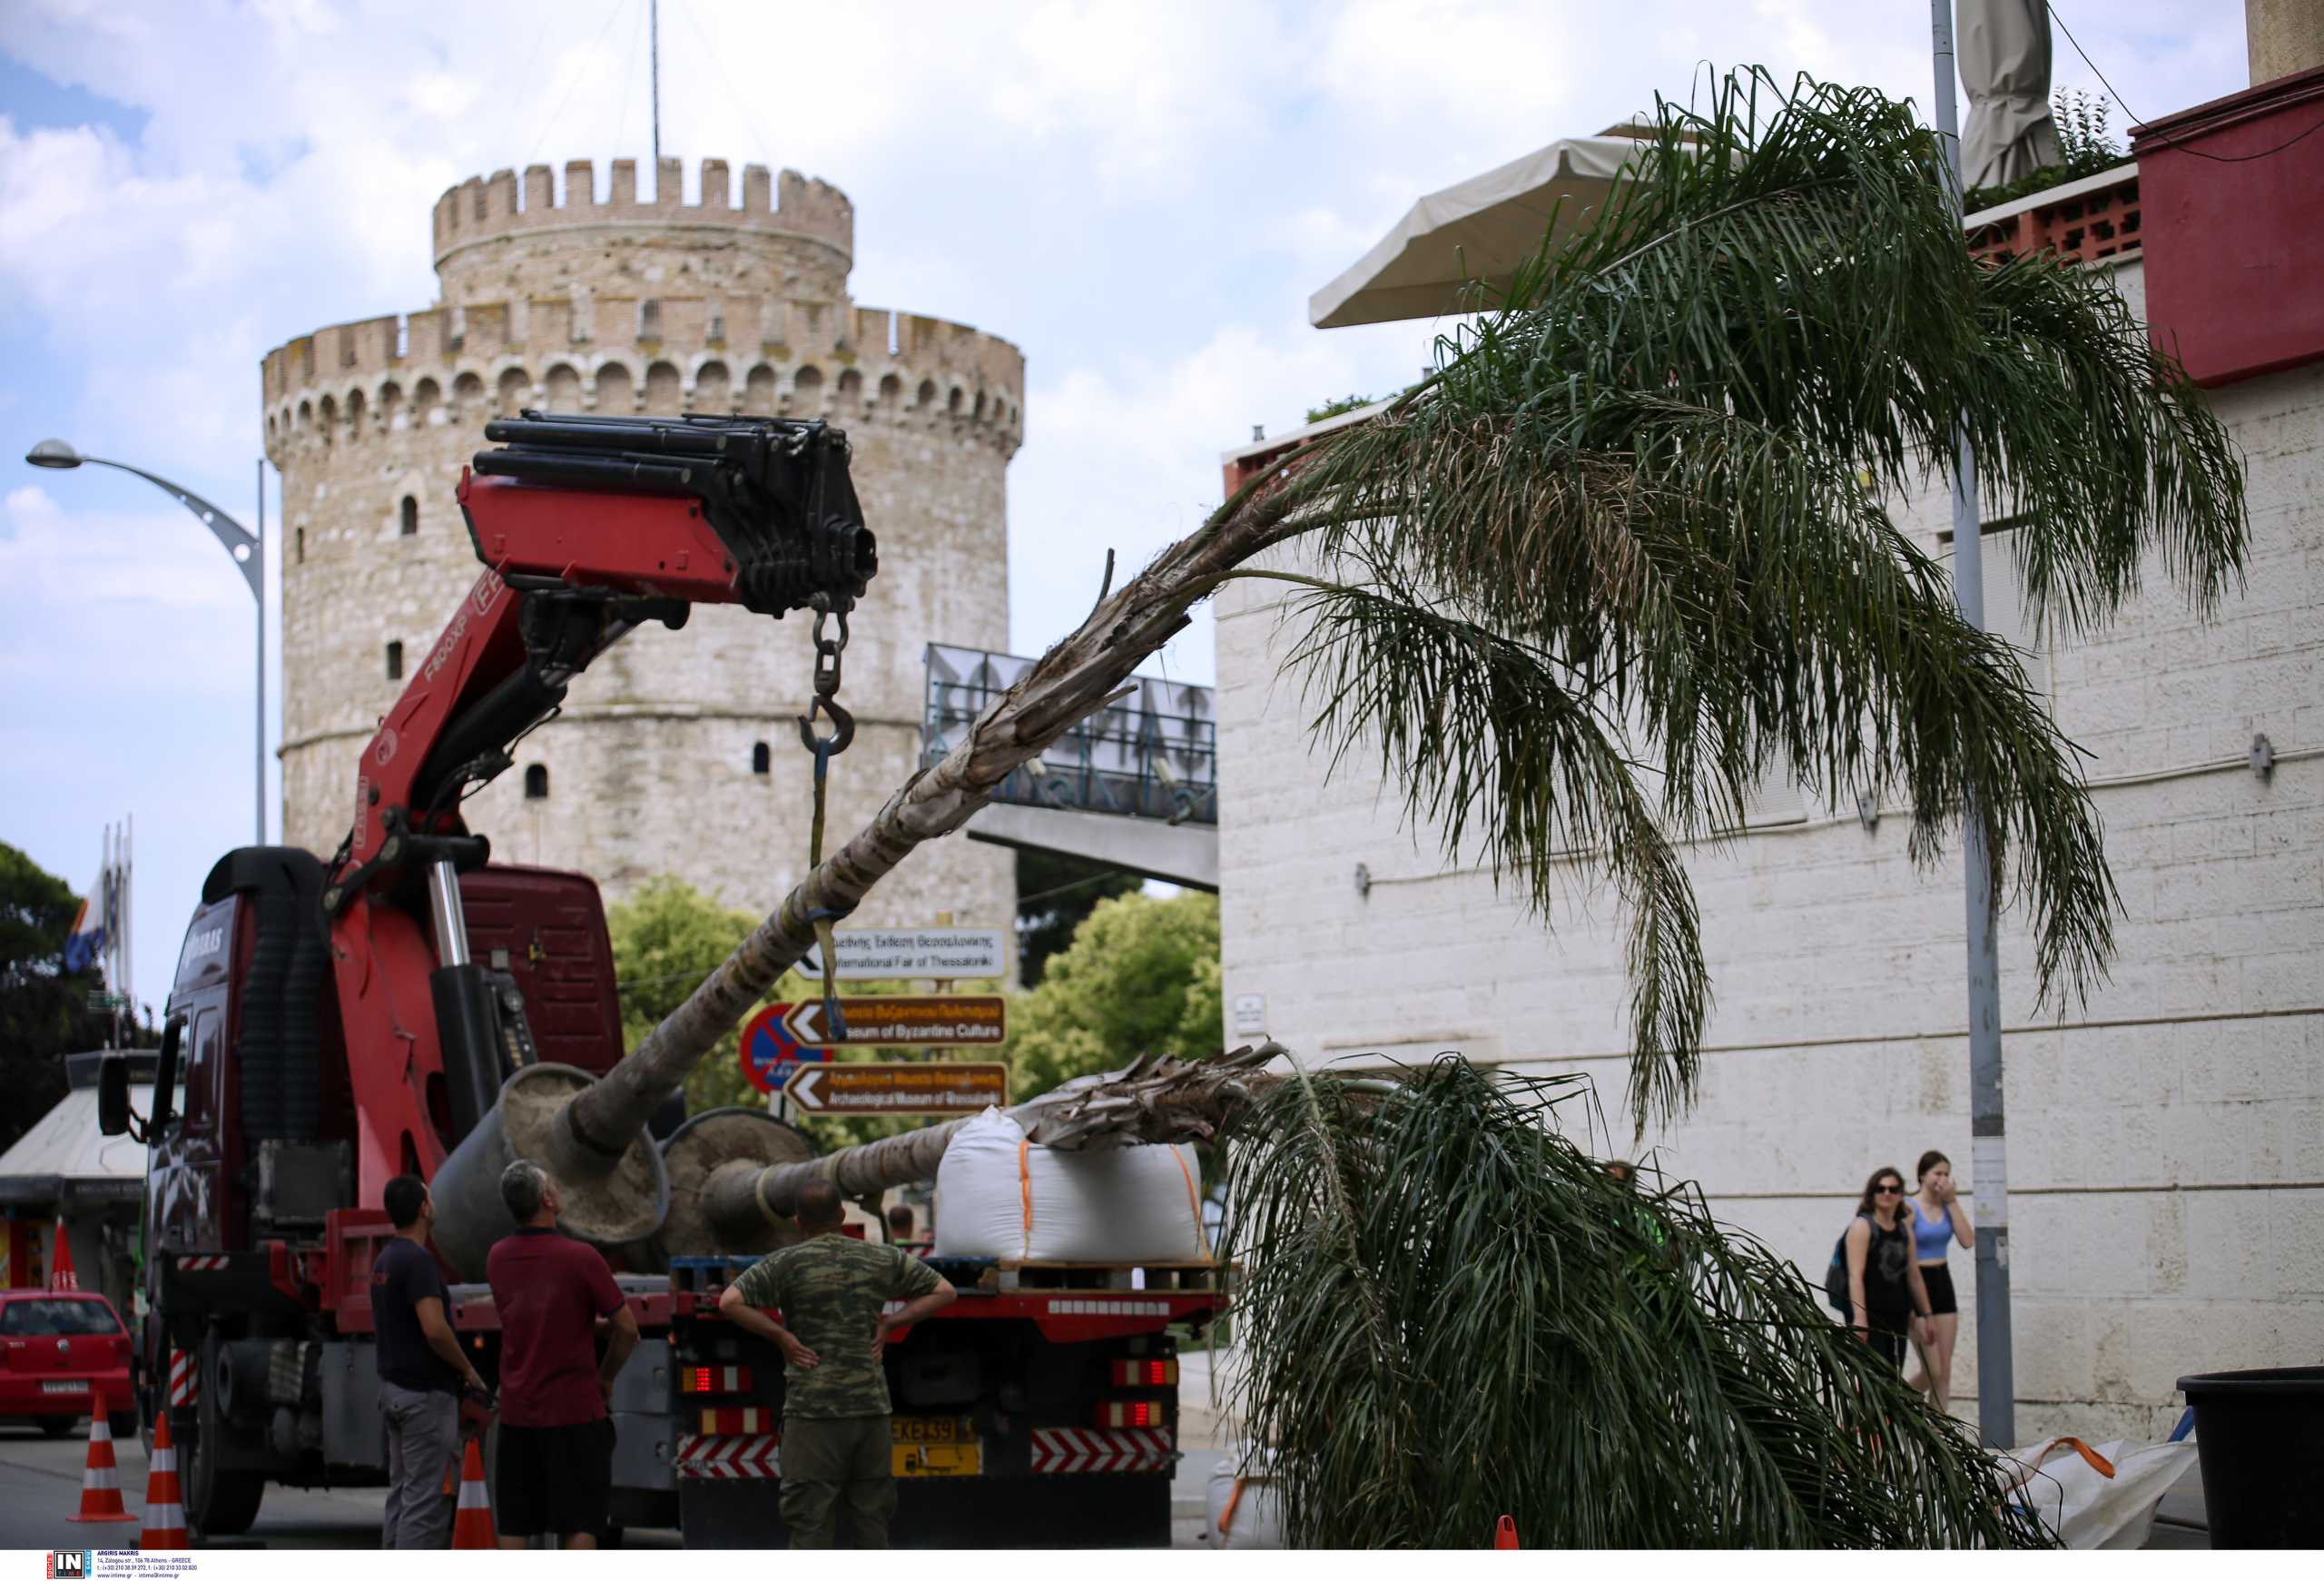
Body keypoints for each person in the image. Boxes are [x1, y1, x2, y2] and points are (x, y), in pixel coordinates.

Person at [717, 1178, 957, 1547]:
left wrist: (783, 1337)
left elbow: (730, 1302)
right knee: (870, 1522)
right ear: (843, 1215)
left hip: (814, 1413)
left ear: (799, 1222)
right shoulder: (880, 1257)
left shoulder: (787, 1263)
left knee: (810, 1523)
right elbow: (944, 1291)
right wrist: (892, 1323)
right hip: (869, 1411)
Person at [485, 1161, 639, 1550]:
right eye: (553, 1183)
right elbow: (628, 1328)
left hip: (518, 1413)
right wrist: (605, 1376)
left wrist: (585, 1324)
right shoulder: (581, 1258)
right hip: (575, 1413)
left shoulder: (498, 1258)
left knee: (516, 1522)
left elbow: (540, 1316)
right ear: (548, 1200)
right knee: (581, 1521)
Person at [371, 1174, 490, 1549]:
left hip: (394, 1392)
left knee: (402, 1494)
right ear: (424, 1209)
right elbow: (435, 1329)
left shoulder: (385, 1259)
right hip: (424, 1398)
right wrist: (468, 1370)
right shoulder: (419, 1261)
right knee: (425, 1504)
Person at [1842, 1165, 1935, 1373]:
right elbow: (1855, 1275)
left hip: (1897, 1314)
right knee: (1871, 1376)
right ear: (1872, 1193)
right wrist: (1859, 1317)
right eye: (1880, 1188)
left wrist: (1927, 1315)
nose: (1886, 1194)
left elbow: (1914, 1275)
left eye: (1893, 1189)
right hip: (1870, 1314)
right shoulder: (1862, 1227)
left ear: (1901, 1195)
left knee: (1893, 1375)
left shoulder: (1904, 1231)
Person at [1907, 1149, 1975, 1412]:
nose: (1942, 1179)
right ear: (1923, 1175)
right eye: (1937, 1173)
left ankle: (1939, 1435)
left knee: (1944, 1370)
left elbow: (1967, 1241)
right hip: (1919, 1281)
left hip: (1942, 1281)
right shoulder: (1910, 1207)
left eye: (1947, 1174)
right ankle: (1893, 1401)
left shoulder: (1947, 1206)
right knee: (1932, 1370)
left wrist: (1952, 1201)